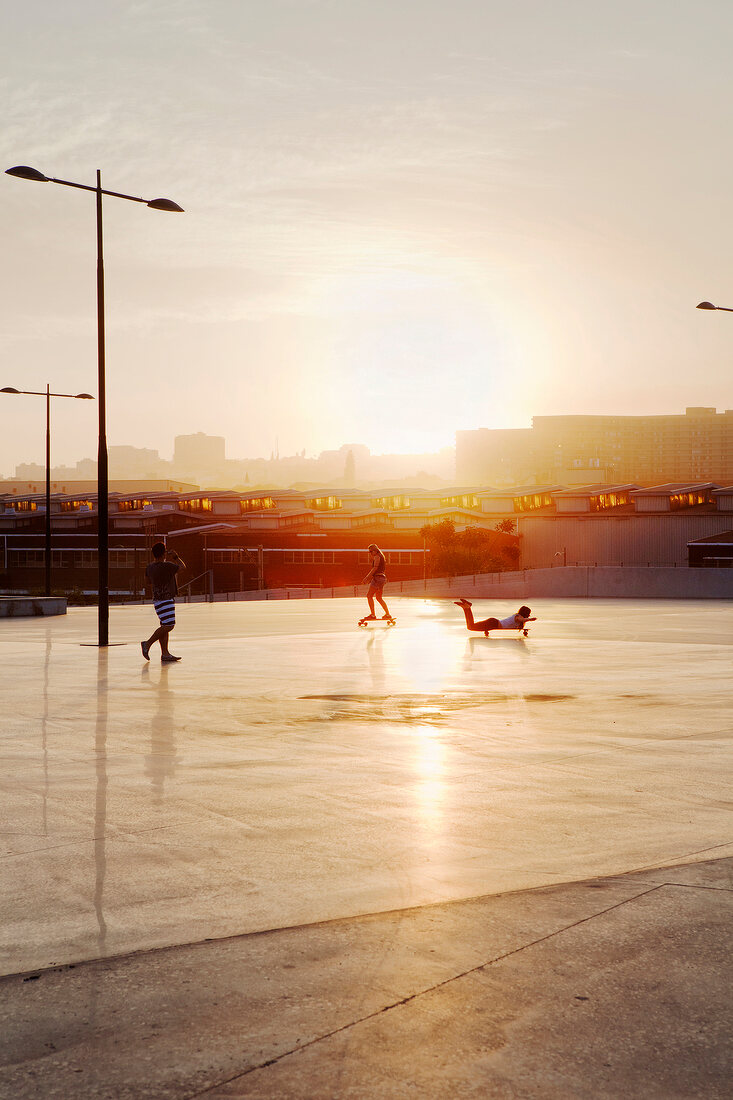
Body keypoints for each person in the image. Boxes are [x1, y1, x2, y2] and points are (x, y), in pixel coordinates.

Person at [141, 542, 186, 662]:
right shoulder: (168, 566)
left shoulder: (149, 567)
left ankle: (165, 654)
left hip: (157, 599)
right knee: (169, 625)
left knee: (164, 625)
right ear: (163, 553)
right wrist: (176, 557)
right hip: (166, 599)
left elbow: (147, 582)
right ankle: (147, 644)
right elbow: (183, 567)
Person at [454, 598, 536, 636]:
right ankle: (467, 608)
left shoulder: (518, 619)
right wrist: (529, 619)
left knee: (470, 626)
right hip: (493, 623)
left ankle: (466, 608)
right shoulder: (518, 617)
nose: (529, 615)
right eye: (528, 614)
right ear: (525, 613)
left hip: (493, 623)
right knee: (471, 627)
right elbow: (522, 619)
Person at [361, 542, 393, 621]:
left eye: (371, 551)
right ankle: (388, 614)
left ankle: (372, 615)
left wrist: (367, 578)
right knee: (379, 598)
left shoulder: (377, 557)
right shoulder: (382, 556)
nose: (370, 553)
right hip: (381, 578)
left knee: (369, 596)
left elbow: (375, 568)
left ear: (375, 551)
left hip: (377, 578)